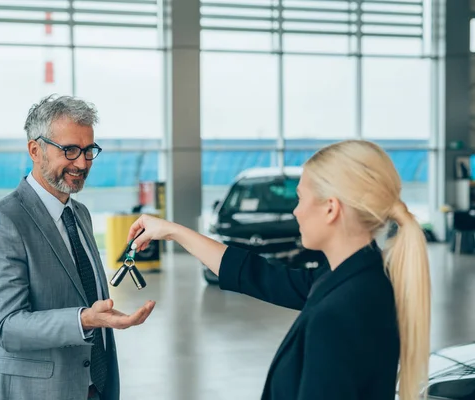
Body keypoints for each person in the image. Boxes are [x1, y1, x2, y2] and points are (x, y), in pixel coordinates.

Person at [128, 140, 431, 400]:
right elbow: (259, 275)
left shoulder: (340, 312)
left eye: (300, 198)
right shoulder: (353, 277)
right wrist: (172, 231)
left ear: (331, 208)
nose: (295, 210)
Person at [0, 95, 156, 400]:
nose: (82, 163)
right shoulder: (1, 223)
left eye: (88, 150)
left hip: (94, 387)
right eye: (70, 150)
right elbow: (6, 327)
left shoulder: (79, 214)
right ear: (35, 149)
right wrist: (84, 320)